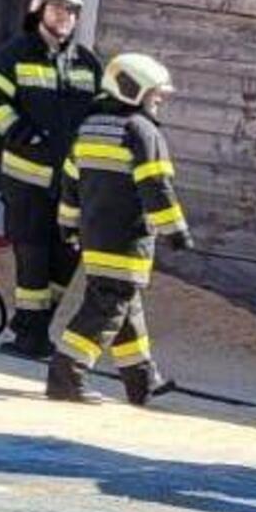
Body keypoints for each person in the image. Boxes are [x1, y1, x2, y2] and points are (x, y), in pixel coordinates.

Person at [47, 53, 191, 405]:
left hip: (94, 236)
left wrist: (67, 224)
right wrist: (176, 230)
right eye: (154, 93)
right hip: (126, 241)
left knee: (125, 307)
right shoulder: (141, 132)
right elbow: (155, 185)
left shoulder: (90, 127)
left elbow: (70, 181)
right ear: (133, 89)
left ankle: (141, 381)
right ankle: (65, 377)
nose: (158, 100)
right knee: (107, 308)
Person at [0, 0, 102, 359]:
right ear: (39, 7)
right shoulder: (15, 54)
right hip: (26, 179)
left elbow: (103, 113)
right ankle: (28, 335)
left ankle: (37, 331)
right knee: (32, 253)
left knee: (66, 256)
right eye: (58, 7)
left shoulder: (87, 64)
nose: (65, 16)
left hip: (72, 183)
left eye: (72, 10)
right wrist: (17, 131)